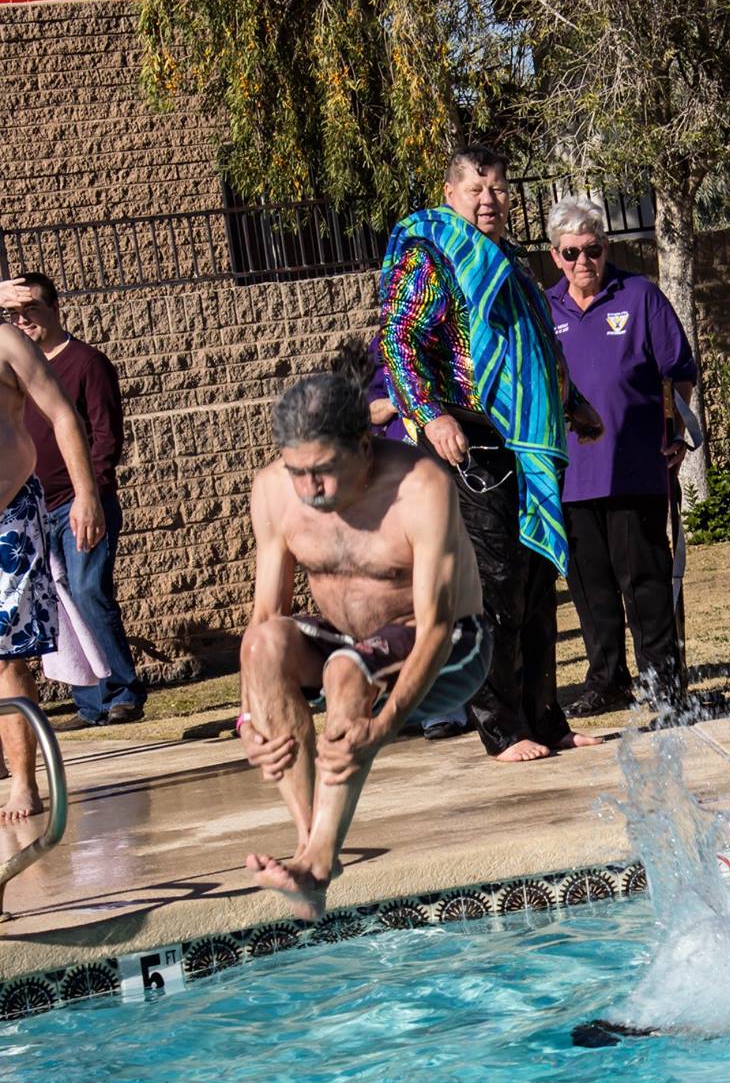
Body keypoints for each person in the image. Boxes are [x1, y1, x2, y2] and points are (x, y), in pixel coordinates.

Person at [238, 370, 490, 918]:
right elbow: (266, 615)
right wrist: (248, 719)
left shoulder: (420, 486)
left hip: (452, 646)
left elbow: (436, 625)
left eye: (324, 470)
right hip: (355, 641)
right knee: (262, 645)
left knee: (347, 671)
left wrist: (386, 726)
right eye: (297, 471)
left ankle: (319, 861)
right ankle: (309, 847)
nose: (310, 488)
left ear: (364, 446)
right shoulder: (274, 492)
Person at [379, 145, 602, 763]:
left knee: (535, 581)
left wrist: (573, 402)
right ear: (450, 193)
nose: (488, 200)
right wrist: (430, 415)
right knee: (494, 584)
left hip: (526, 438)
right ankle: (502, 728)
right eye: (476, 189)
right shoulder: (434, 255)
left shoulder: (510, 261)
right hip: (470, 438)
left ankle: (545, 719)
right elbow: (398, 341)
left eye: (499, 189)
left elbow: (535, 346)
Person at [544, 196, 697, 716]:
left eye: (593, 249)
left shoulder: (640, 296)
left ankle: (664, 685)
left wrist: (676, 431)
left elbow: (679, 372)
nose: (583, 262)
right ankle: (607, 680)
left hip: (634, 468)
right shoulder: (545, 310)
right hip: (570, 477)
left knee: (646, 583)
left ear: (605, 247)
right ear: (555, 255)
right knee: (591, 589)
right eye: (571, 253)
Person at [0, 272, 144, 725]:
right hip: (38, 506)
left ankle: (121, 692)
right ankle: (90, 702)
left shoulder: (86, 363)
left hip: (72, 503)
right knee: (61, 605)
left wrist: (90, 494)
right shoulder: (17, 362)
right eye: (14, 313)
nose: (23, 320)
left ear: (55, 309)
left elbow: (102, 435)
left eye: (32, 310)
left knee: (86, 592)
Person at [0, 322, 105, 820]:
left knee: (5, 657)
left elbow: (63, 413)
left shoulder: (6, 341)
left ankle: (24, 782)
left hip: (9, 516)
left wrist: (86, 493)